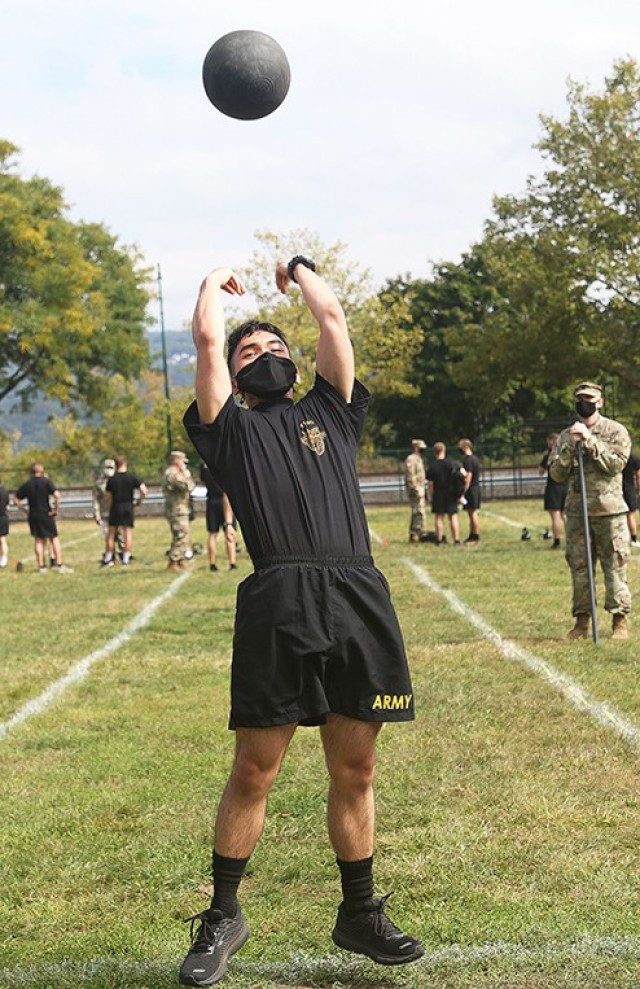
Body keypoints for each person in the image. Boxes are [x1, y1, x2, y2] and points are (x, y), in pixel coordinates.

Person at [180, 258, 423, 985]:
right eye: (247, 352)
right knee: (256, 766)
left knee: (357, 766)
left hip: (356, 595)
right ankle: (223, 913)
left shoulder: (333, 411)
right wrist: (210, 288)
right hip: (278, 600)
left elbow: (332, 321)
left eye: (273, 348)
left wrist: (299, 269)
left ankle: (358, 913)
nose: (264, 357)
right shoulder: (227, 431)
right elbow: (203, 343)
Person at [549, 382, 632, 640]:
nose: (584, 403)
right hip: (577, 512)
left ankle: (620, 620)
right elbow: (556, 474)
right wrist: (569, 448)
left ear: (600, 402)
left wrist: (591, 441)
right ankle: (582, 621)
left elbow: (616, 465)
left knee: (614, 566)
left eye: (589, 399)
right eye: (580, 399)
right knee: (580, 567)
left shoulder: (615, 431)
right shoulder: (566, 435)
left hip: (609, 511)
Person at [12, 463, 72, 573]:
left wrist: (25, 510)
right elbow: (57, 495)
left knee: (39, 540)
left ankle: (41, 567)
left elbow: (15, 499)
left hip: (33, 514)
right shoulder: (46, 482)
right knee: (54, 539)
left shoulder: (27, 484)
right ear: (42, 471)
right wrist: (56, 509)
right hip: (46, 513)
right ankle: (59, 564)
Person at [103, 456, 147, 567]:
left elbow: (108, 497)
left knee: (111, 533)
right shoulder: (132, 477)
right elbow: (144, 490)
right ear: (125, 464)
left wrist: (109, 507)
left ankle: (108, 557)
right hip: (128, 505)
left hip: (116, 506)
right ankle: (126, 558)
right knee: (127, 533)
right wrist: (139, 501)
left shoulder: (112, 479)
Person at [163, 450, 196, 572]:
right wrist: (186, 475)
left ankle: (180, 559)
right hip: (177, 509)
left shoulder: (172, 472)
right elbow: (188, 486)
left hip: (179, 508)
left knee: (182, 534)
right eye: (182, 461)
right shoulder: (173, 474)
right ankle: (174, 560)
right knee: (181, 534)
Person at [426, 442, 464, 546]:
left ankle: (439, 540)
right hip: (451, 493)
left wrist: (430, 496)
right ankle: (456, 540)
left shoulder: (432, 466)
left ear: (435, 453)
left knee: (439, 517)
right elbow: (461, 475)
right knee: (453, 516)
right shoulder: (451, 463)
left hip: (438, 493)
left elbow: (430, 484)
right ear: (444, 451)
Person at [201, 462, 237, 572]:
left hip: (211, 500)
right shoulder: (223, 462)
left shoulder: (204, 464)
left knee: (212, 534)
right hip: (224, 499)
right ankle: (232, 562)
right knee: (229, 531)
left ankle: (212, 564)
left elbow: (203, 479)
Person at [538, 432, 568, 549]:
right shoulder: (566, 454)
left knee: (555, 516)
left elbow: (540, 472)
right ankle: (570, 540)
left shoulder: (549, 455)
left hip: (553, 487)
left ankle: (557, 540)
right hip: (566, 486)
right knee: (565, 516)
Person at [92, 458, 125, 563]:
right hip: (105, 512)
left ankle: (124, 555)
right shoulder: (99, 483)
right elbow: (95, 500)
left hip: (117, 510)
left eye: (111, 467)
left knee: (121, 535)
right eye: (107, 467)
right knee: (108, 535)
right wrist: (96, 514)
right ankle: (112, 556)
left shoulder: (117, 480)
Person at [457, 438, 481, 544]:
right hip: (475, 488)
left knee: (472, 513)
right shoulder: (475, 459)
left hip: (471, 489)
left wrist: (462, 492)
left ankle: (475, 536)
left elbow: (468, 478)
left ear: (465, 447)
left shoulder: (468, 460)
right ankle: (472, 534)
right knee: (471, 513)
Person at [404, 439, 427, 543]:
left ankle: (416, 532)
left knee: (418, 511)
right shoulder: (412, 459)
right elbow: (410, 475)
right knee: (418, 511)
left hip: (420, 487)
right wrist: (416, 489)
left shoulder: (418, 459)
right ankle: (416, 533)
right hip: (416, 489)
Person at [622, 447, 640, 545]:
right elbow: (638, 475)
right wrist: (639, 489)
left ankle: (623, 539)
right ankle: (633, 540)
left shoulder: (617, 456)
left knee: (619, 516)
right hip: (629, 489)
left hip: (616, 489)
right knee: (631, 515)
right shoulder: (633, 457)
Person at [0, 477, 9, 569]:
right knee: (2, 539)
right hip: (3, 517)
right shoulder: (4, 491)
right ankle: (4, 558)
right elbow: (7, 505)